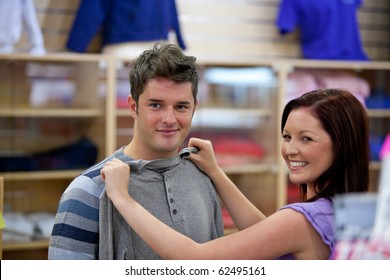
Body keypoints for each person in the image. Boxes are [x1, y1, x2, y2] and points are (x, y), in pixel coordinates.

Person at [101, 88, 369, 259]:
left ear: (342, 145)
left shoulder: (301, 221)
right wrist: (216, 173)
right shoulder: (343, 211)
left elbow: (196, 260)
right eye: (287, 136)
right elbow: (266, 235)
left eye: (307, 139)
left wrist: (124, 198)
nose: (290, 150)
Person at [48, 42, 224, 259]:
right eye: (156, 105)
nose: (169, 119)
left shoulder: (203, 179)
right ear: (133, 107)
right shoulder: (88, 190)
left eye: (181, 106)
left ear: (194, 108)